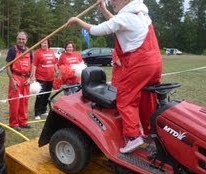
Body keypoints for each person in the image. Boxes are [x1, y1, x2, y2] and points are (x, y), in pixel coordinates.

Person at [67, 0, 162, 153]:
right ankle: (151, 134)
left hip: (140, 62)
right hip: (155, 62)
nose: (111, 2)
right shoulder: (139, 14)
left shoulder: (125, 17)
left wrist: (78, 21)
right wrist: (103, 9)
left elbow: (97, 30)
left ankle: (132, 137)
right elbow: (116, 23)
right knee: (147, 96)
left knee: (125, 99)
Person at [6, 31, 33, 131]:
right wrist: (12, 79)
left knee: (24, 101)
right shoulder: (12, 50)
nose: (21, 41)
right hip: (16, 77)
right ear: (17, 39)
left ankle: (23, 122)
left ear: (26, 40)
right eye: (19, 39)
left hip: (26, 79)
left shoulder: (29, 50)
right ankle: (14, 123)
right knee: (15, 101)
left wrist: (31, 78)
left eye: (23, 39)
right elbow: (7, 66)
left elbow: (32, 64)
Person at [30, 38, 58, 120]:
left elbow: (54, 63)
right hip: (41, 77)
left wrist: (56, 71)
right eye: (42, 43)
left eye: (45, 43)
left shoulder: (52, 52)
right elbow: (34, 65)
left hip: (50, 77)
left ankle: (43, 110)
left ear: (48, 43)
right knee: (40, 95)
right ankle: (37, 113)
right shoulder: (37, 52)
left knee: (47, 95)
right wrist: (33, 76)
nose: (43, 44)